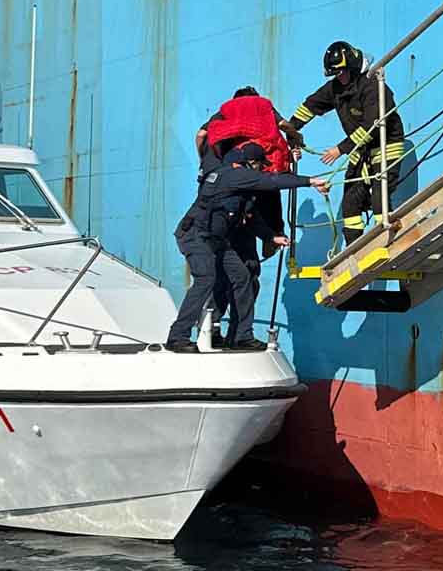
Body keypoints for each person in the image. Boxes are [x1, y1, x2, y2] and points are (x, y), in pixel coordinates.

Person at [168, 143, 330, 352]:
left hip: (217, 239)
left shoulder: (242, 185)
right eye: (260, 165)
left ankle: (240, 336)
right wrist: (311, 181)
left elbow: (250, 218)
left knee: (242, 277)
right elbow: (272, 181)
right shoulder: (235, 174)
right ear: (251, 163)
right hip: (196, 236)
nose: (262, 169)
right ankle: (178, 336)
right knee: (206, 278)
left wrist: (271, 237)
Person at [282, 41, 405, 245]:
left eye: (342, 72)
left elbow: (373, 126)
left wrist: (340, 149)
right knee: (350, 202)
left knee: (379, 196)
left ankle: (387, 241)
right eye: (335, 74)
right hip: (361, 150)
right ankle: (354, 249)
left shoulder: (373, 86)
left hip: (385, 145)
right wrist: (291, 130)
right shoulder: (337, 88)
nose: (339, 77)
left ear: (353, 67)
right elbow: (311, 105)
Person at [195, 87, 292, 345]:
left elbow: (201, 134)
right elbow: (285, 131)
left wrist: (204, 161)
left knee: (222, 275)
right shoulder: (262, 111)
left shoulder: (222, 120)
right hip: (246, 215)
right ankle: (240, 335)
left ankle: (210, 331)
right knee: (246, 275)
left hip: (218, 220)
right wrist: (296, 141)